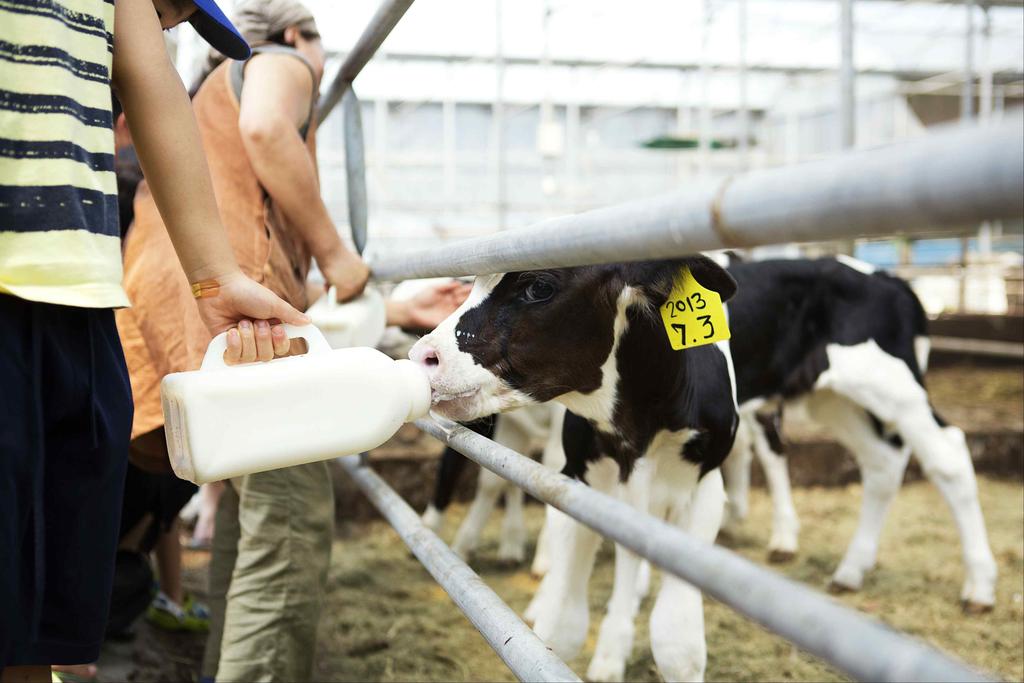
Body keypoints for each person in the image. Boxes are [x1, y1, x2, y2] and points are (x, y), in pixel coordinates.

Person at [0, 0, 313, 680]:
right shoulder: (280, 78)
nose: (166, 28)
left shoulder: (140, 56)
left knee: (39, 637)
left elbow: (150, 78)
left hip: (87, 299)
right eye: (174, 13)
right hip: (30, 293)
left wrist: (216, 275)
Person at [114, 1, 368, 680]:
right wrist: (336, 251)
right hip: (231, 305)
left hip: (166, 298)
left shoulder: (198, 100)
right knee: (287, 506)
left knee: (253, 500)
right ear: (294, 36)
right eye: (321, 49)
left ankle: (221, 665)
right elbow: (265, 128)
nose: (323, 66)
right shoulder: (279, 62)